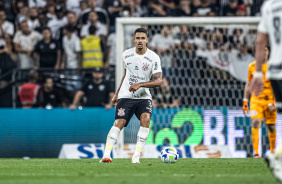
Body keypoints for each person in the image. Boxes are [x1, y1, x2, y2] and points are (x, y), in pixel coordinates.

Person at [100, 28, 162, 163]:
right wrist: (117, 93)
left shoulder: (153, 57)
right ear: (134, 40)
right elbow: (125, 75)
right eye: (137, 38)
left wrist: (140, 85)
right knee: (119, 123)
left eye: (142, 38)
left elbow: (159, 81)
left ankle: (136, 156)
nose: (140, 41)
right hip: (126, 95)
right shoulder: (126, 55)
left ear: (147, 40)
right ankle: (106, 154)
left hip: (143, 97)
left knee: (145, 120)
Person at [249, 0, 282, 180]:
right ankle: (276, 155)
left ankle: (276, 155)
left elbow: (261, 41)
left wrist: (259, 73)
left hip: (275, 71)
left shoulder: (268, 6)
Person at [243, 46, 276, 158]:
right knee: (256, 122)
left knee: (271, 126)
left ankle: (272, 152)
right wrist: (245, 101)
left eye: (265, 50)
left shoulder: (274, 66)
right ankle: (256, 153)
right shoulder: (252, 67)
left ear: (268, 52)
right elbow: (248, 84)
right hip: (256, 100)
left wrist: (276, 102)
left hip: (270, 101)